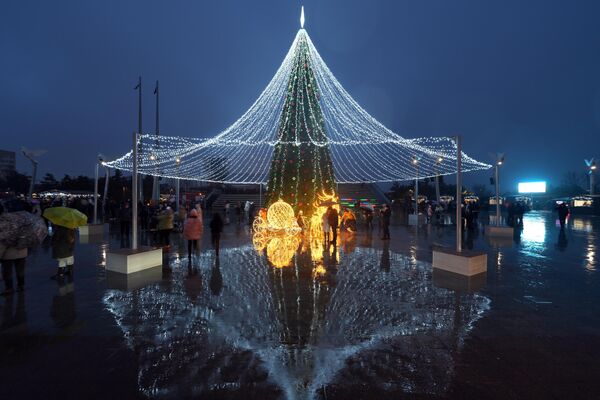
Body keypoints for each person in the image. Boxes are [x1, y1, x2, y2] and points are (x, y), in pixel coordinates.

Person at [0, 204, 28, 296]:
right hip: (22, 251)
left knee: (7, 271)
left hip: (8, 253)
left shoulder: (3, 222)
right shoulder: (22, 221)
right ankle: (21, 285)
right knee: (20, 270)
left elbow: (2, 240)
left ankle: (9, 288)